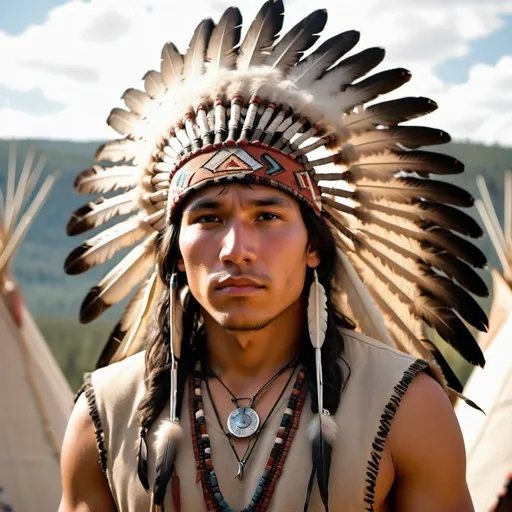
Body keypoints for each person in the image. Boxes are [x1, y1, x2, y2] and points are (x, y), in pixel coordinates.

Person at [58, 2, 489, 510]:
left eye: (267, 217)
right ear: (175, 254)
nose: (236, 251)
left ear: (313, 248)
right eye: (208, 219)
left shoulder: (405, 406)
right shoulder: (106, 414)